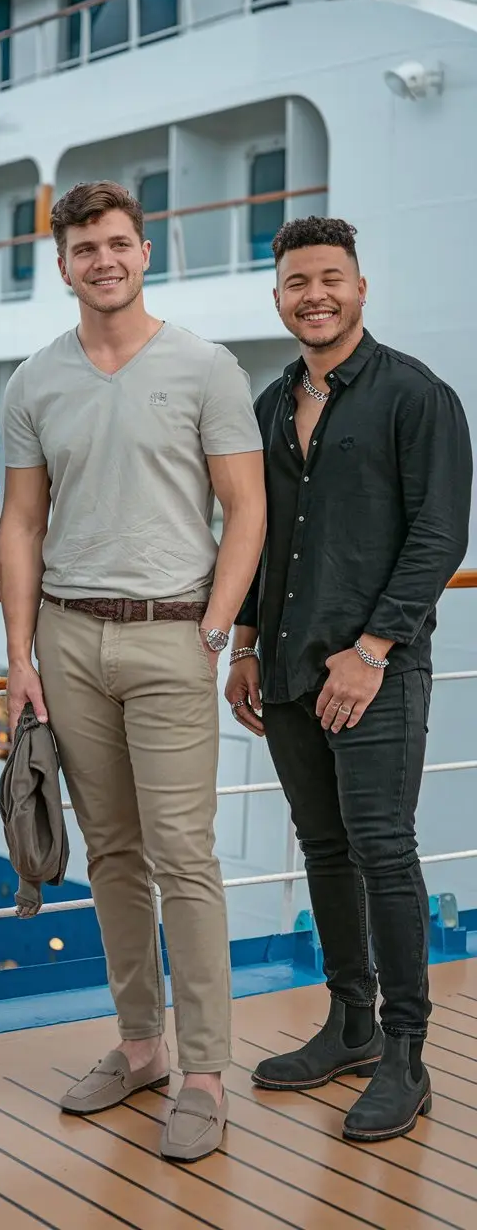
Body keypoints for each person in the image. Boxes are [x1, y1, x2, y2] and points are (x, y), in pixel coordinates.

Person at [0, 180, 266, 1162]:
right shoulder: (33, 381)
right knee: (110, 853)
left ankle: (205, 1074)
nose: (102, 261)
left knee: (184, 856)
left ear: (144, 251)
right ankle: (143, 1046)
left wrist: (215, 628)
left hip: (172, 636)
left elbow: (246, 507)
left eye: (117, 243)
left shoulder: (205, 366)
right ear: (62, 265)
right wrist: (18, 656)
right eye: (84, 249)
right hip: (68, 638)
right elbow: (22, 523)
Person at [227, 216, 471, 1142]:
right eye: (298, 282)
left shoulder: (416, 394)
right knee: (324, 849)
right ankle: (351, 1024)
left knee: (382, 848)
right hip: (288, 668)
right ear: (279, 297)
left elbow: (439, 536)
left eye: (331, 278)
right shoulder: (270, 404)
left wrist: (370, 652)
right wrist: (245, 645)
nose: (315, 296)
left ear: (360, 288)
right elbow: (257, 536)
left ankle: (407, 1054)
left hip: (376, 672)